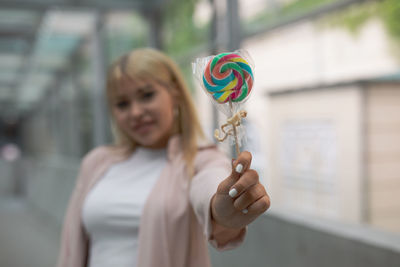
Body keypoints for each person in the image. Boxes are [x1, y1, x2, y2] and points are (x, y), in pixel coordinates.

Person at [56, 48, 270, 267]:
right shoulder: (96, 162)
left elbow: (210, 185)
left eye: (147, 95)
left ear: (175, 93)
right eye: (122, 104)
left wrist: (220, 209)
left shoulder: (201, 160)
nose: (136, 112)